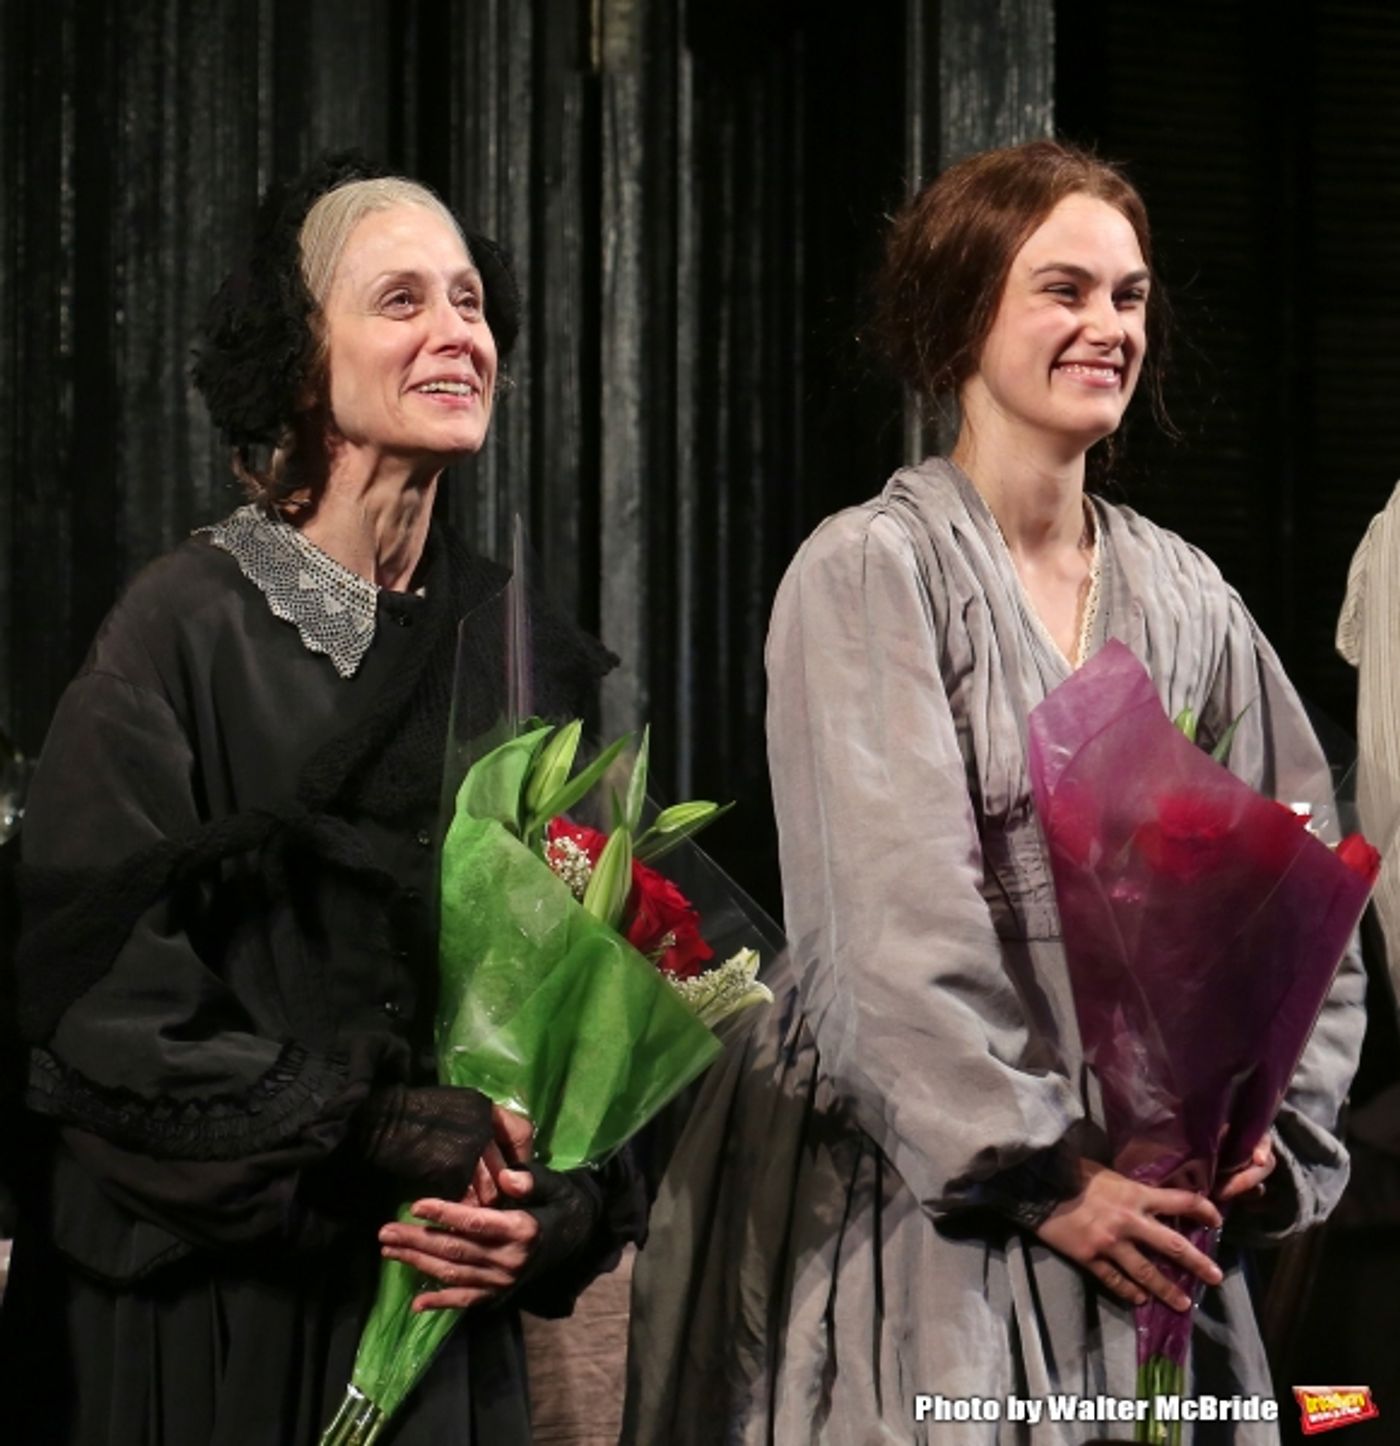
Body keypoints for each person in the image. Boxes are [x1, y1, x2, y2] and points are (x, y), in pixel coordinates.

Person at [623, 141, 1364, 1445]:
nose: (1108, 326)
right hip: (941, 1212)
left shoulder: (1191, 597)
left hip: (1164, 1215)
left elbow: (1306, 894)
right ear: (967, 313)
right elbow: (894, 926)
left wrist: (1261, 1125)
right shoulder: (869, 573)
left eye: (1130, 297)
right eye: (1064, 290)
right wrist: (1050, 1177)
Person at [0, 154, 643, 1444]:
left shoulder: (525, 655)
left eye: (469, 302)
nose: (457, 332)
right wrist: (380, 1128)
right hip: (218, 1317)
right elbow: (91, 987)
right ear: (303, 361)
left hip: (433, 1319)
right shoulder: (179, 630)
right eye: (400, 300)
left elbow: (604, 1003)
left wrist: (548, 1208)